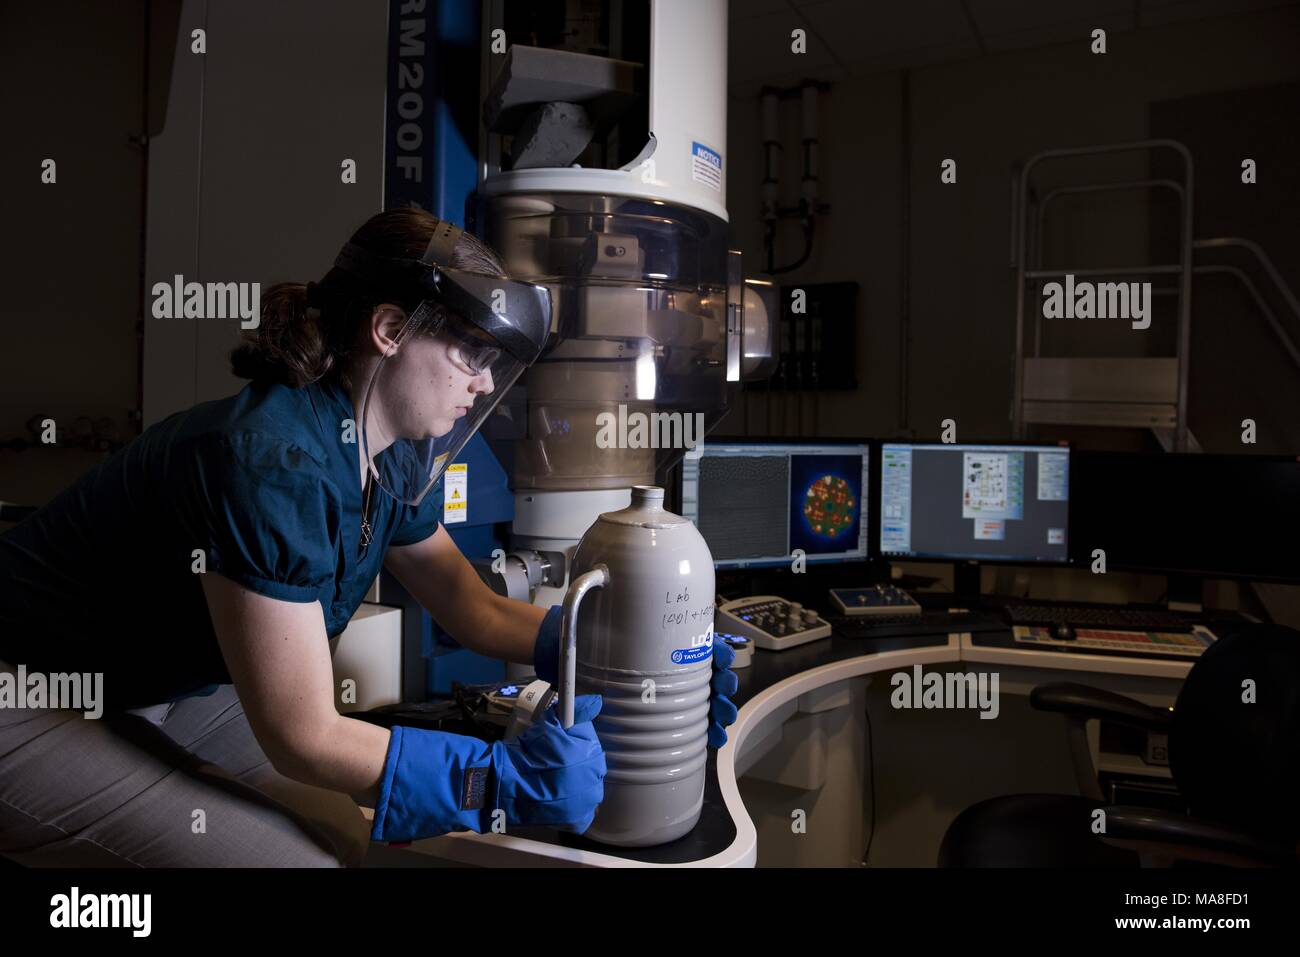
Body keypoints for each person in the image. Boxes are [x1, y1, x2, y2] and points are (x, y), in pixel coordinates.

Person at [0, 208, 738, 867]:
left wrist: (616, 650)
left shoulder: (382, 456)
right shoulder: (273, 460)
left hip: (153, 683)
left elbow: (467, 604)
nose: (483, 385)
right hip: (25, 690)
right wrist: (493, 780)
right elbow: (303, 734)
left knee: (340, 831)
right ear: (389, 329)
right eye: (470, 356)